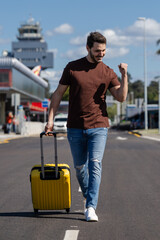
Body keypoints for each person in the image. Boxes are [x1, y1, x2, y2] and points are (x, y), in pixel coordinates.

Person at [45, 32, 128, 222]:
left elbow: (121, 97)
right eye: (98, 50)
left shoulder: (107, 72)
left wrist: (124, 77)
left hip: (99, 125)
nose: (101, 54)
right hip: (75, 126)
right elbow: (58, 94)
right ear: (88, 48)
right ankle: (88, 194)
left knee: (95, 164)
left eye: (104, 51)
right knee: (80, 167)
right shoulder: (72, 68)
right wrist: (50, 120)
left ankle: (90, 206)